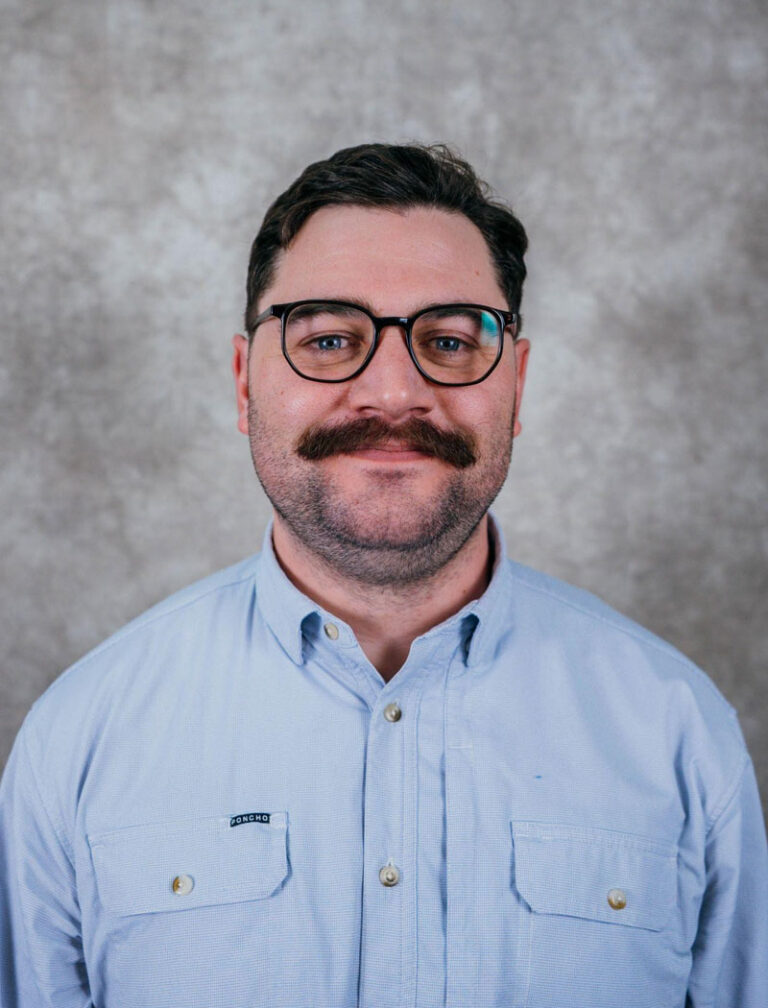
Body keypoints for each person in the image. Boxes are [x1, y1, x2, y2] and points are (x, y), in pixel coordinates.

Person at [0, 143, 765, 1008]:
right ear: (245, 382)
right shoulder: (80, 740)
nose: (394, 392)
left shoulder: (677, 732)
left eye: (450, 340)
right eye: (329, 339)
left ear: (517, 385)